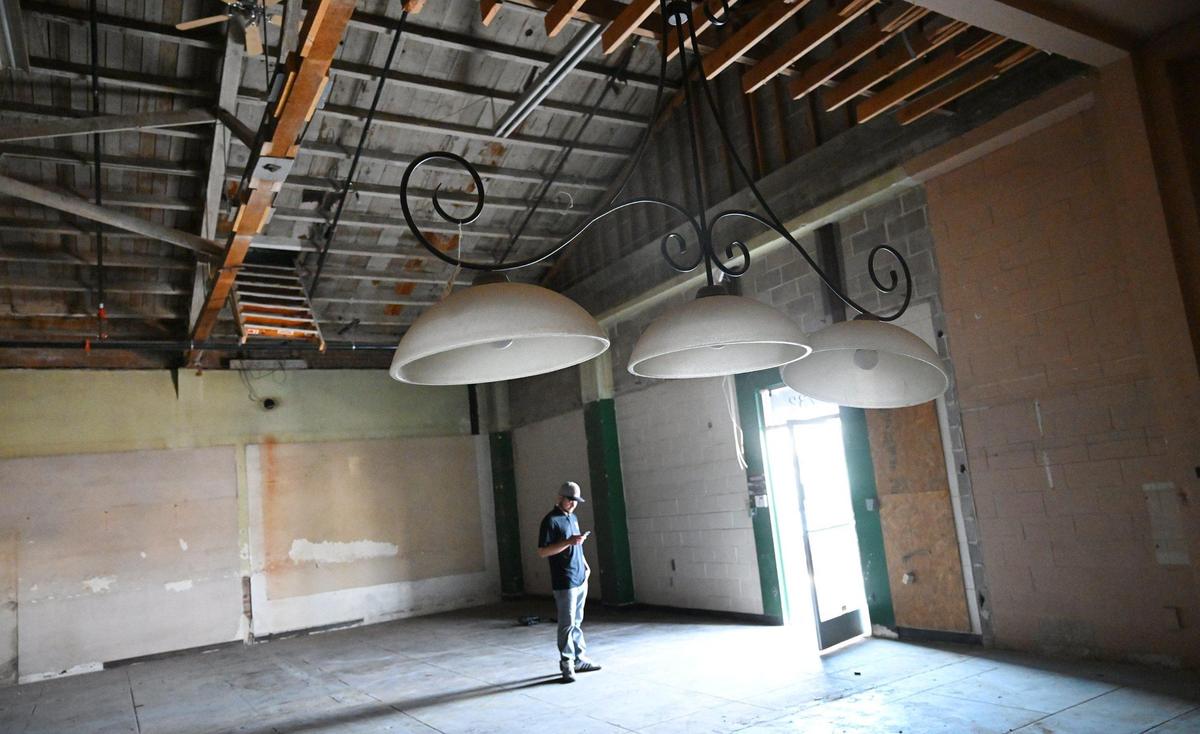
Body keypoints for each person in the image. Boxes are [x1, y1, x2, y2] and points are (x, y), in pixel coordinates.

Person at [537, 481, 603, 682]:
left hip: (579, 577)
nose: (573, 504)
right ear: (560, 498)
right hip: (564, 580)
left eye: (576, 501)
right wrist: (568, 542)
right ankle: (566, 663)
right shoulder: (550, 521)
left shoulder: (572, 517)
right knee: (566, 623)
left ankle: (579, 658)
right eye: (570, 500)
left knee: (577, 621)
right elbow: (543, 551)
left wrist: (585, 564)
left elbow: (576, 544)